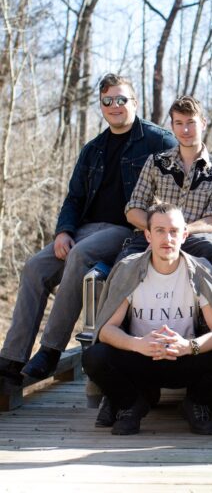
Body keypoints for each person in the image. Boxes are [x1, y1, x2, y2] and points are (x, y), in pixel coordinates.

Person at [0, 74, 176, 387]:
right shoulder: (93, 149)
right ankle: (12, 359)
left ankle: (51, 349)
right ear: (101, 106)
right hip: (83, 228)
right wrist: (63, 231)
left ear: (134, 102)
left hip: (127, 230)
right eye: (107, 101)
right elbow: (74, 198)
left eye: (122, 99)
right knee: (35, 265)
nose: (115, 106)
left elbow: (177, 185)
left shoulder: (158, 140)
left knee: (81, 256)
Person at [82, 203, 212, 436]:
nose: (167, 238)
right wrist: (137, 344)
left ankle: (196, 403)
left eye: (174, 231)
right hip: (141, 358)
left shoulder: (200, 273)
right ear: (148, 235)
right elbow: (107, 330)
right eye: (159, 230)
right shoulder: (129, 270)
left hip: (185, 360)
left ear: (185, 235)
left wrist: (189, 346)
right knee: (94, 357)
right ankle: (131, 405)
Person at [117, 96, 212, 279]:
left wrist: (182, 230)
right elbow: (133, 210)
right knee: (123, 262)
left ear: (203, 123)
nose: (185, 130)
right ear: (172, 126)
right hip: (152, 238)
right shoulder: (156, 162)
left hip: (193, 239)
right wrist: (161, 230)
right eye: (179, 123)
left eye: (190, 122)